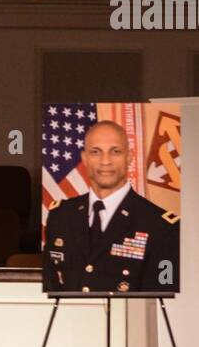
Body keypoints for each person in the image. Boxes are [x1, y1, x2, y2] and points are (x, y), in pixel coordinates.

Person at [43, 120, 180, 294]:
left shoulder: (161, 226)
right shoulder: (60, 216)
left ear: (129, 157)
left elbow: (160, 298)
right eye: (95, 152)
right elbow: (51, 284)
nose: (105, 161)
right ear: (84, 158)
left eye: (115, 152)